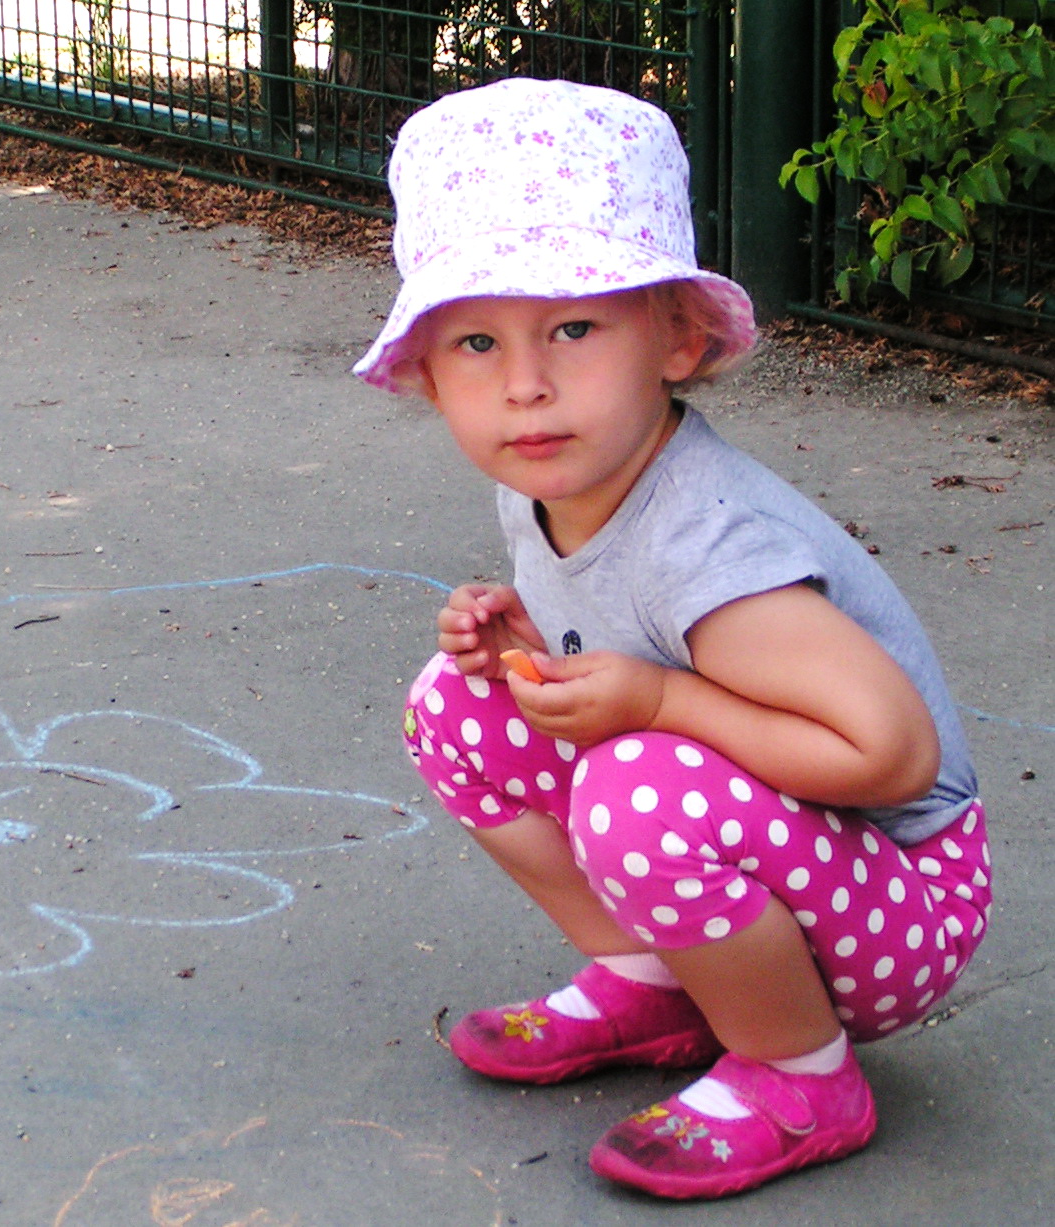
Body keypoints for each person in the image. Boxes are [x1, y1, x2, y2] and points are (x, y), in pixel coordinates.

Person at [353, 78, 989, 1200]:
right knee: (454, 702)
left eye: (574, 327)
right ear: (428, 375)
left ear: (678, 339)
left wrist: (655, 701)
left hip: (902, 898)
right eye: (476, 342)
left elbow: (893, 757)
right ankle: (656, 982)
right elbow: (621, 628)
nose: (525, 386)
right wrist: (523, 637)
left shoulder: (709, 546)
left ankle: (802, 1072)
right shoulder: (553, 479)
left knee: (639, 788)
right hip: (786, 838)